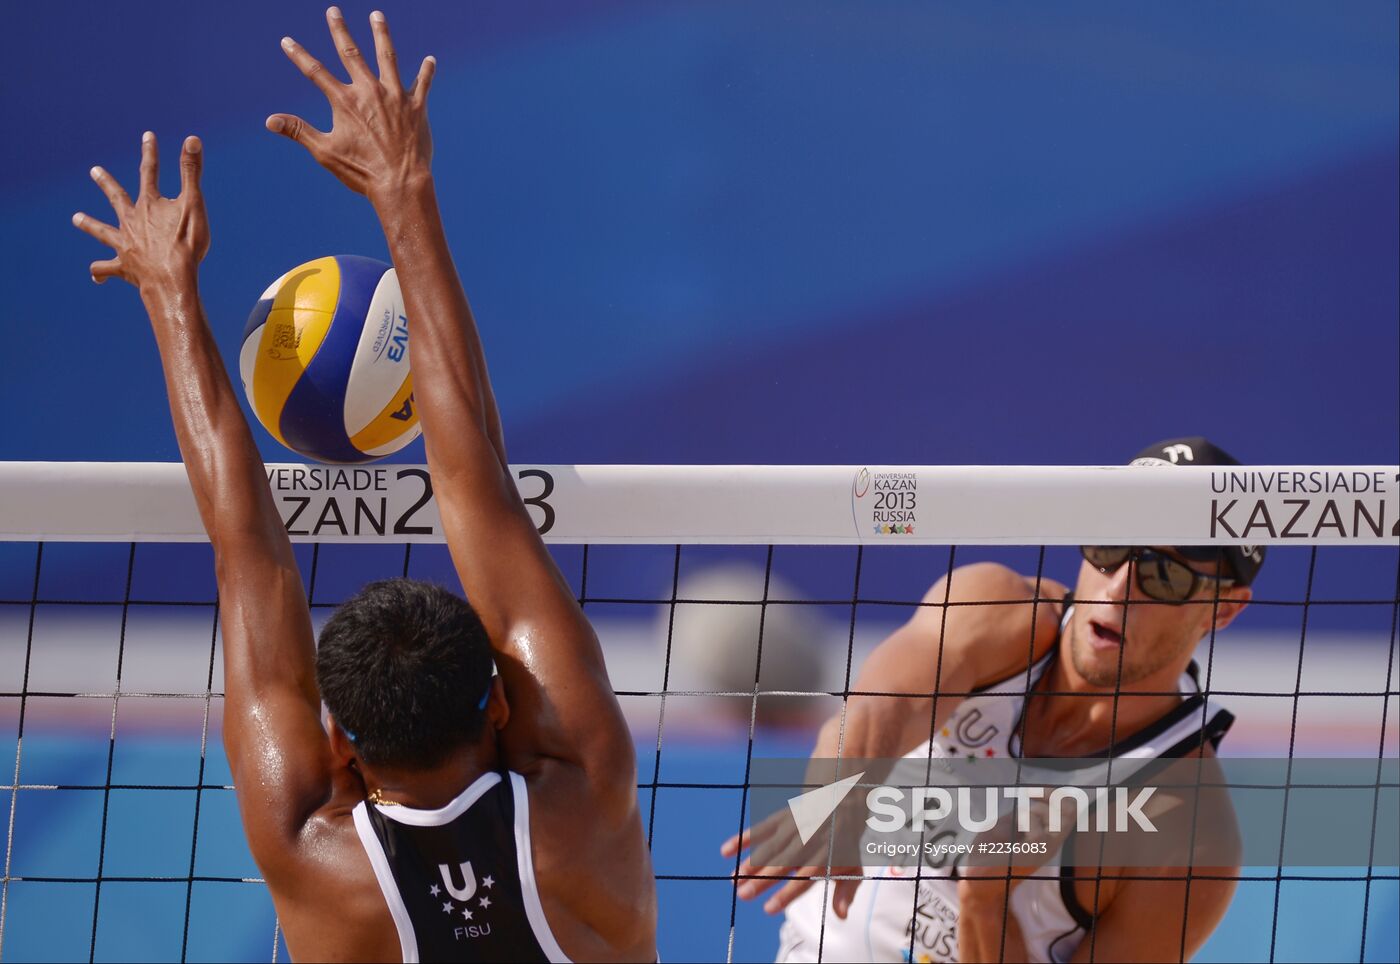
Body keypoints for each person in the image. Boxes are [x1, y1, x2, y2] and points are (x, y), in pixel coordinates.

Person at [71, 8, 656, 961]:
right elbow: (477, 492)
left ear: (338, 743)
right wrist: (402, 186)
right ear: (502, 706)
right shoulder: (583, 788)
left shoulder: (314, 854)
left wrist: (168, 293)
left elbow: (247, 559)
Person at [723, 438, 1259, 962]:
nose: (1118, 587)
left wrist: (986, 898)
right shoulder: (996, 613)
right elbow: (879, 707)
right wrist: (841, 795)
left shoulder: (1189, 836)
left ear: (1223, 609)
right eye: (1110, 545)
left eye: (1163, 574)